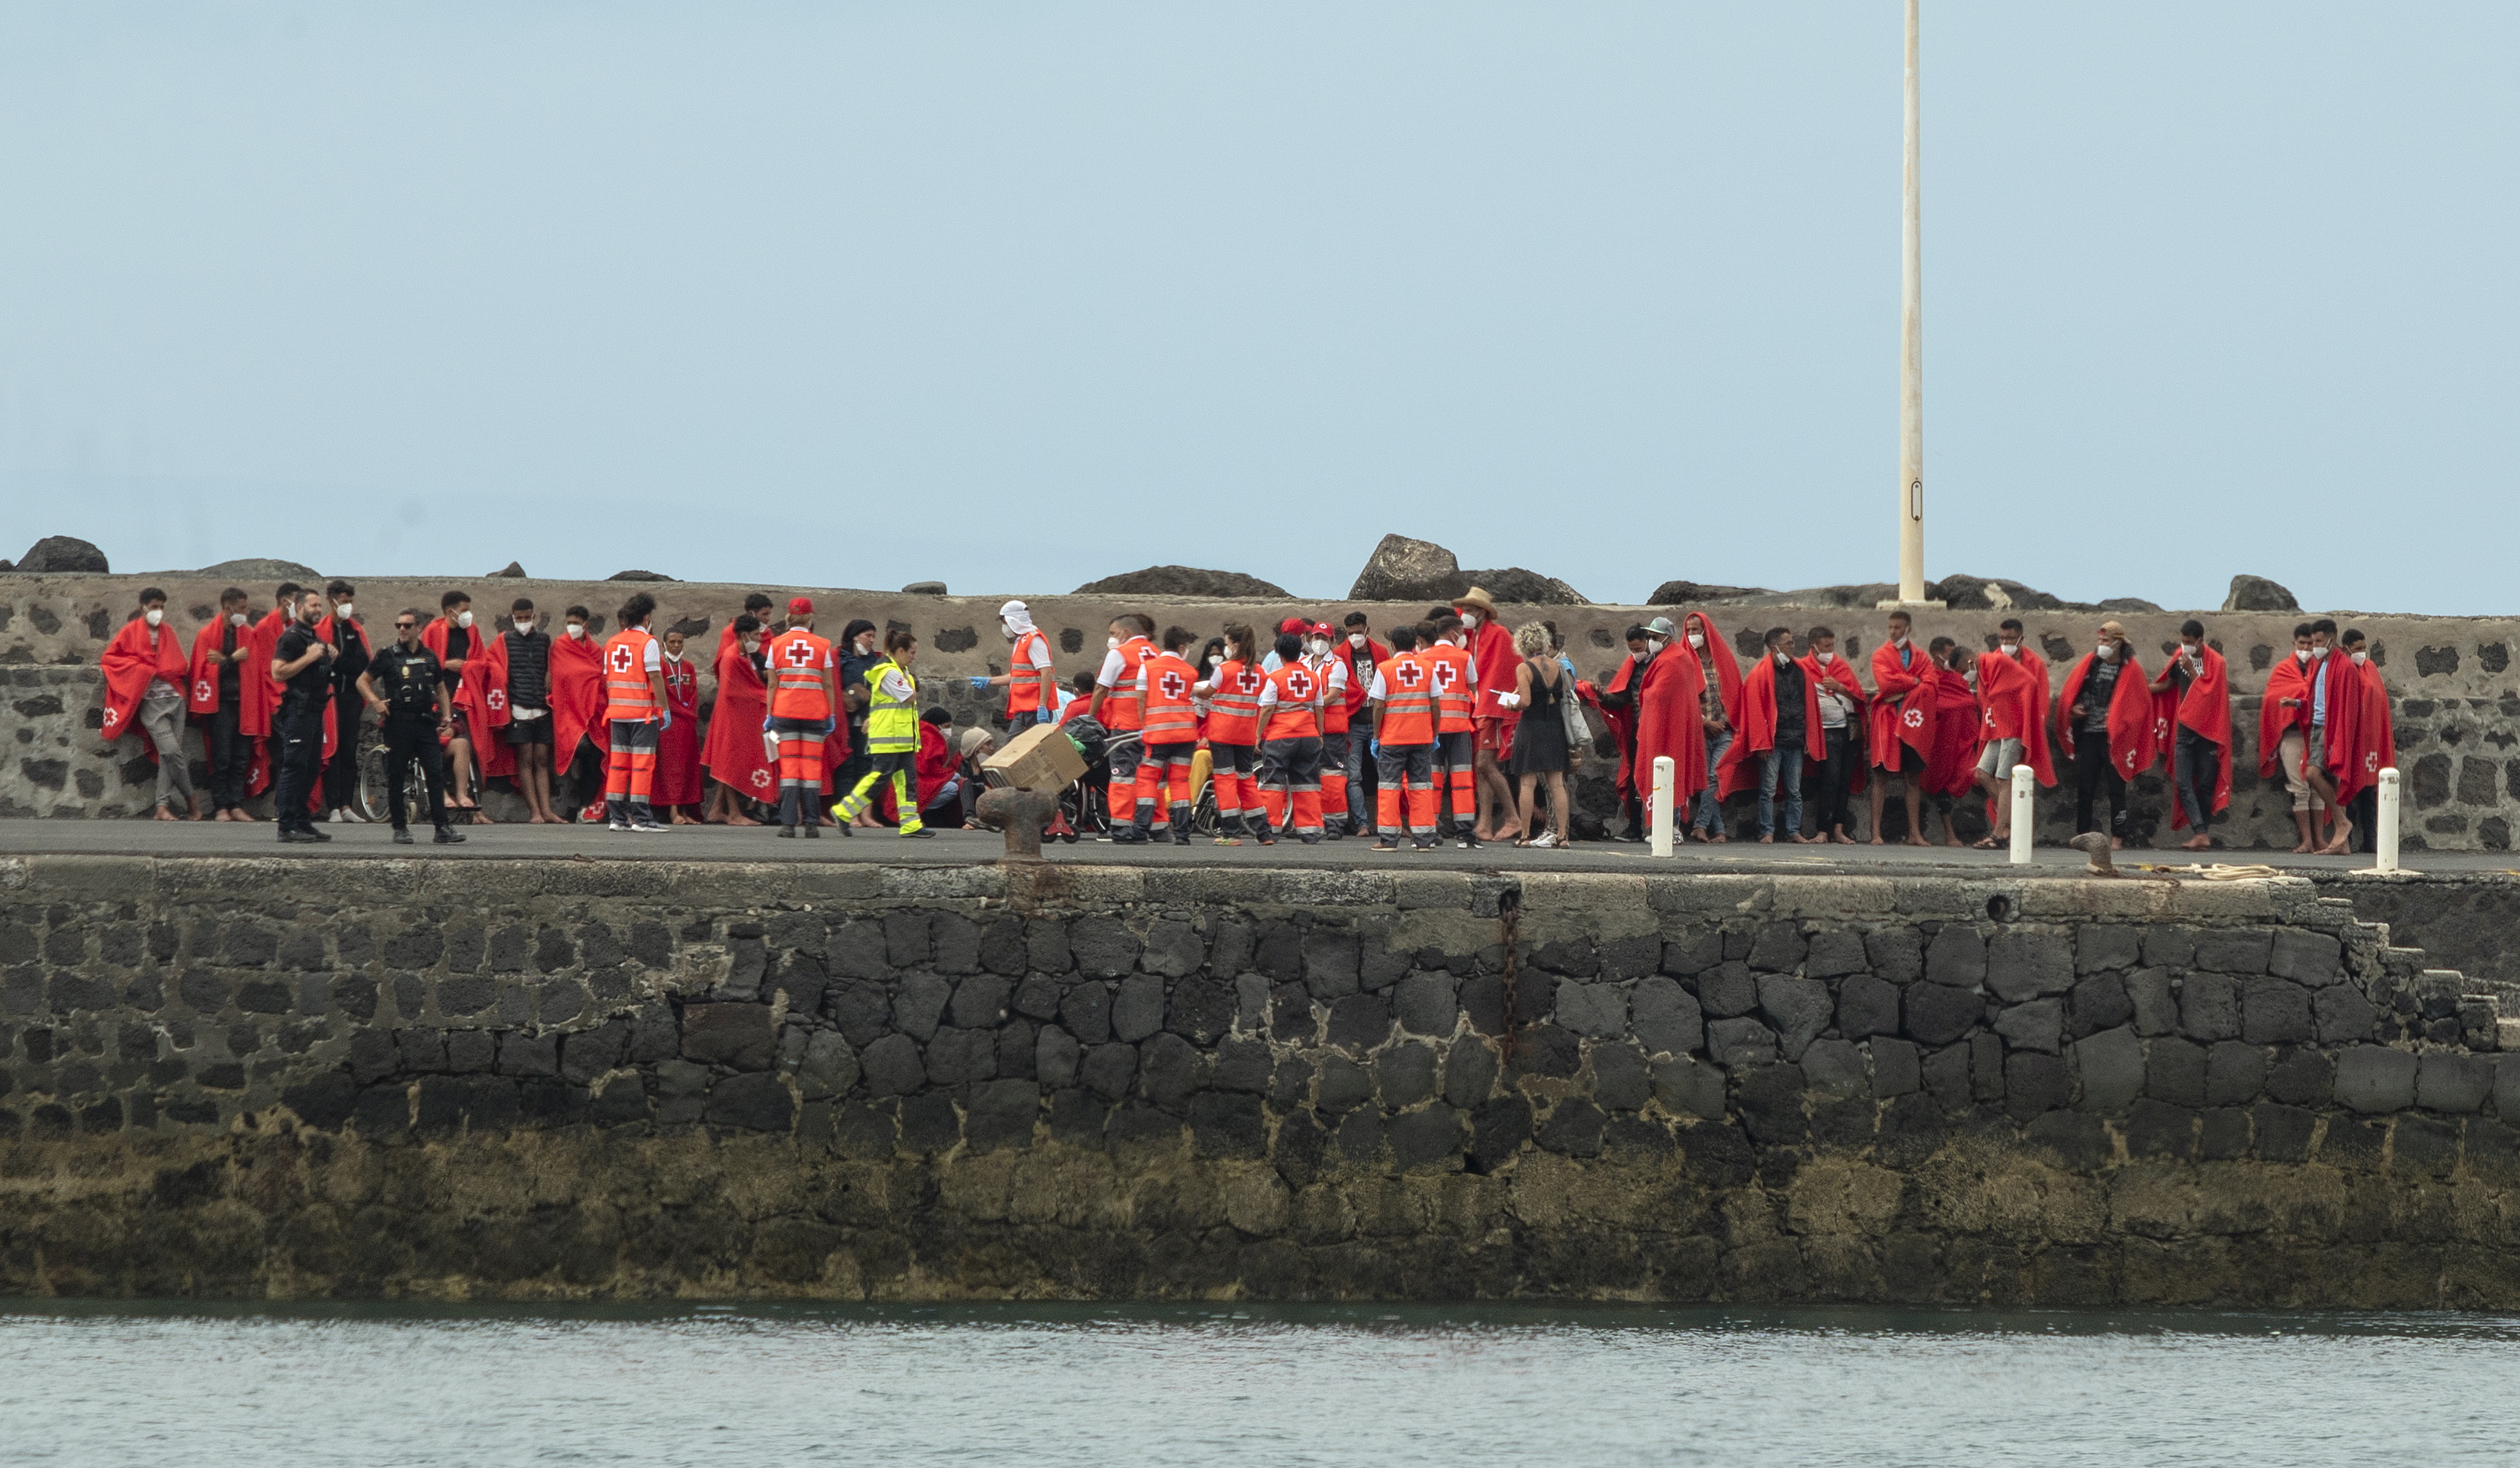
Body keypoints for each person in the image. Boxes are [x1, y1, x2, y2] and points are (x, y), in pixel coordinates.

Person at [354, 609, 464, 844]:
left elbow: (441, 688)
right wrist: (375, 702)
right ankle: (400, 828)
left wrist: (446, 714)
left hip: (425, 724)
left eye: (407, 625)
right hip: (398, 724)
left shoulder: (430, 656)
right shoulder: (388, 655)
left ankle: (442, 828)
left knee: (435, 774)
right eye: (399, 625)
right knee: (396, 776)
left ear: (419, 628)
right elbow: (362, 681)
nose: (402, 630)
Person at [1712, 627, 1829, 843]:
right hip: (1773, 744)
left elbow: (1809, 706)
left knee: (1795, 790)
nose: (1793, 647)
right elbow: (1754, 712)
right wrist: (1761, 744)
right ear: (1775, 647)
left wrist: (1808, 737)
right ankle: (1767, 830)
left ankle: (1794, 830)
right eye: (1789, 643)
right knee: (1767, 789)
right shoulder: (1759, 674)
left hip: (1795, 740)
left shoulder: (1800, 671)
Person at [100, 587, 199, 821]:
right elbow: (110, 659)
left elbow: (178, 665)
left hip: (175, 699)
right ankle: (191, 799)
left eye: (162, 607)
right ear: (143, 607)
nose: (159, 611)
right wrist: (143, 670)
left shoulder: (168, 631)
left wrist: (161, 669)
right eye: (155, 607)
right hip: (151, 704)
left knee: (168, 756)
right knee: (172, 752)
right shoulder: (130, 632)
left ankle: (162, 807)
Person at [2057, 620, 2157, 849]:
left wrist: (2120, 717)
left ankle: (2118, 836)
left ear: (2118, 643)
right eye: (2099, 640)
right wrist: (2074, 708)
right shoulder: (2090, 664)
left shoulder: (2131, 669)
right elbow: (2072, 693)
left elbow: (2140, 704)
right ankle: (2082, 834)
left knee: (2116, 788)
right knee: (2085, 786)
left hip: (2115, 738)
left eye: (2105, 641)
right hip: (2091, 733)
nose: (2101, 644)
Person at [832, 629, 932, 838]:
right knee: (879, 777)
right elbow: (909, 697)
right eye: (911, 653)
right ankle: (844, 811)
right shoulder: (889, 672)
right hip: (889, 735)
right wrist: (912, 688)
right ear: (901, 651)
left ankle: (910, 823)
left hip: (901, 736)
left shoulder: (898, 671)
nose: (914, 657)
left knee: (906, 780)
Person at [1970, 620, 2054, 849]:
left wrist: (2034, 725)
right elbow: (1984, 694)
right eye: (2002, 638)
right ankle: (2016, 819)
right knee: (1981, 774)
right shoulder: (1993, 659)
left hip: (2018, 728)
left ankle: (1999, 834)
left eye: (2010, 639)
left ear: (2021, 639)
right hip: (1996, 726)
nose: (2005, 643)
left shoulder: (2034, 663)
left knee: (2003, 778)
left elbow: (2041, 697)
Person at [762, 596, 841, 837]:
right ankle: (810, 824)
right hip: (815, 715)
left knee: (789, 770)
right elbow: (828, 685)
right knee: (811, 770)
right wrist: (832, 714)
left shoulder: (776, 644)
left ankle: (787, 824)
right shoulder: (821, 645)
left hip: (784, 713)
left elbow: (772, 685)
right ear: (810, 618)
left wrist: (769, 715)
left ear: (789, 616)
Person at [2149, 619, 2230, 851]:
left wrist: (2194, 671)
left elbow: (2209, 693)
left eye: (2189, 643)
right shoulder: (2179, 657)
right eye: (2182, 642)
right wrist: (2141, 689)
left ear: (2200, 641)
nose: (2184, 646)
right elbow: (2168, 685)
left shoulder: (2217, 662)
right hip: (2185, 728)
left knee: (2206, 784)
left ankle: (2202, 833)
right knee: (2183, 781)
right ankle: (2200, 832)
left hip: (2209, 731)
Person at [600, 592, 672, 833]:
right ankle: (642, 819)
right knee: (642, 765)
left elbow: (608, 677)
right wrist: (664, 708)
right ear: (646, 617)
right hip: (642, 714)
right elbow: (654, 676)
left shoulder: (612, 642)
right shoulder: (648, 642)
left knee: (618, 765)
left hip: (617, 713)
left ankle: (617, 818)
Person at [1453, 587, 1521, 843]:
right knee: (1481, 769)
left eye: (1470, 610)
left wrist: (1491, 704)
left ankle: (1513, 818)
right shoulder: (1472, 636)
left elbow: (1503, 671)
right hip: (1479, 707)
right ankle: (1483, 824)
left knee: (1484, 764)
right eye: (1464, 610)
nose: (1465, 614)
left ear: (1482, 612)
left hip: (1491, 708)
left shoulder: (1499, 634)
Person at [268, 588, 337, 844]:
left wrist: (329, 654)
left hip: (315, 711)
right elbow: (278, 672)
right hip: (298, 711)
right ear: (298, 608)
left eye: (320, 606)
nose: (318, 609)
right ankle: (286, 826)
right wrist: (309, 658)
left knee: (310, 768)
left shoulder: (314, 637)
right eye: (313, 605)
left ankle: (302, 821)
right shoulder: (292, 638)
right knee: (294, 766)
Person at [1499, 621, 1573, 848]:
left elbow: (1526, 701)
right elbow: (1566, 691)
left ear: (1523, 645)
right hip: (1555, 727)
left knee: (1528, 783)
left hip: (1531, 727)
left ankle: (1525, 835)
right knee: (1557, 784)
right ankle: (1562, 836)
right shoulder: (1559, 666)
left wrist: (1512, 704)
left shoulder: (1524, 668)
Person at [1124, 627, 1202, 844]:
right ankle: (1183, 835)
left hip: (1157, 734)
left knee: (1148, 779)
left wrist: (1143, 726)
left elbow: (1141, 700)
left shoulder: (1148, 668)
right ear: (1181, 647)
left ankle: (1140, 831)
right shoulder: (1190, 672)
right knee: (1180, 782)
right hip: (1186, 734)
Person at [188, 587, 259, 821]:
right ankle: (221, 807)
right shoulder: (207, 634)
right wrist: (232, 660)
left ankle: (236, 804)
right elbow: (202, 670)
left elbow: (253, 667)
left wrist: (223, 660)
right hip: (220, 705)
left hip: (244, 703)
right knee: (221, 757)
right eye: (241, 608)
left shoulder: (248, 634)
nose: (244, 612)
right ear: (228, 608)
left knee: (241, 757)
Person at [1866, 610, 1936, 846]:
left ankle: (1915, 833)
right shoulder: (1880, 655)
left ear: (1908, 629)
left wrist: (1903, 688)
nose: (1893, 632)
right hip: (1887, 722)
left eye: (1898, 628)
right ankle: (1876, 832)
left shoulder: (1922, 656)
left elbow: (1931, 684)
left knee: (1913, 778)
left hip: (1913, 725)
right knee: (1881, 776)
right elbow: (1885, 684)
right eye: (1891, 628)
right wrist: (1913, 682)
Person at [1367, 626, 1439, 852]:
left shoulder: (1385, 669)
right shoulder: (1428, 668)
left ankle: (1388, 840)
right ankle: (1424, 840)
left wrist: (1376, 737)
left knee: (1389, 788)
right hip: (1422, 738)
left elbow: (1379, 705)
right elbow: (1436, 705)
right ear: (1415, 644)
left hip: (1392, 738)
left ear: (1393, 645)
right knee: (1421, 788)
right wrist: (1434, 733)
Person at [2259, 622, 2329, 853]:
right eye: (2302, 643)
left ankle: (2319, 840)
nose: (2307, 647)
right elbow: (2272, 700)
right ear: (2294, 643)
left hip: (2317, 734)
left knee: (2318, 787)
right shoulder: (2283, 669)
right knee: (2299, 788)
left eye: (2311, 643)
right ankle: (2306, 841)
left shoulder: (2323, 669)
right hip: (2292, 735)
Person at [1253, 630, 1328, 844]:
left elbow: (1267, 709)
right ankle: (1311, 830)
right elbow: (1319, 709)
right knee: (1307, 783)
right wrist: (1320, 734)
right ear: (1299, 652)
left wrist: (1258, 735)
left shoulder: (1275, 678)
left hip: (1280, 738)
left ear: (1279, 654)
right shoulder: (1313, 677)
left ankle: (1271, 829)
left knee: (1274, 783)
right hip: (1309, 737)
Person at [2325, 628, 2394, 854]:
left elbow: (2379, 703)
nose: (2362, 653)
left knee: (2368, 792)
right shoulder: (2343, 670)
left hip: (2371, 740)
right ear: (2346, 649)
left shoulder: (2371, 668)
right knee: (2348, 790)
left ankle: (2370, 840)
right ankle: (2347, 840)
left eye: (2364, 648)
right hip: (2352, 740)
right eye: (2357, 649)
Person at [1087, 614, 1157, 835]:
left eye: (1113, 633)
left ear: (1125, 633)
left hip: (1125, 724)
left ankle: (1121, 825)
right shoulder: (1158, 653)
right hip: (1154, 725)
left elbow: (1101, 688)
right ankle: (1158, 826)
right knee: (1152, 776)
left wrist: (1089, 718)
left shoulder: (1119, 654)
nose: (1111, 639)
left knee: (1122, 775)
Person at [419, 590, 486, 812]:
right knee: (433, 744)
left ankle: (467, 800)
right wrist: (446, 665)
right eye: (465, 610)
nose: (468, 615)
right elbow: (425, 664)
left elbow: (481, 662)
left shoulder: (472, 631)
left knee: (471, 747)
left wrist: (466, 667)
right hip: (439, 699)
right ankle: (444, 794)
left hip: (466, 699)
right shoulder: (433, 630)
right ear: (451, 611)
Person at [1197, 622, 1265, 845]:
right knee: (1246, 780)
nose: (1226, 648)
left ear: (1235, 645)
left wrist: (1190, 688)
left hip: (1223, 734)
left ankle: (1231, 832)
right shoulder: (1260, 671)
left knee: (1225, 781)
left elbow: (1208, 692)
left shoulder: (1224, 670)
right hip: (1246, 734)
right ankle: (1264, 832)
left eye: (1227, 643)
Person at [494, 598, 560, 823]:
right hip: (518, 707)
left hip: (542, 706)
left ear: (533, 616)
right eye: (518, 618)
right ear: (513, 618)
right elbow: (496, 667)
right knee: (525, 758)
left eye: (526, 617)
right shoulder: (505, 640)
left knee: (542, 759)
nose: (523, 622)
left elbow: (551, 666)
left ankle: (548, 810)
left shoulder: (544, 639)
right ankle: (535, 812)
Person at [703, 613, 772, 824]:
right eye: (755, 635)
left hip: (741, 717)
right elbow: (740, 692)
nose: (759, 640)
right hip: (732, 718)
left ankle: (716, 810)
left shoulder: (746, 656)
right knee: (731, 764)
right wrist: (768, 698)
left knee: (729, 763)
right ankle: (733, 813)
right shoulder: (732, 658)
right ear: (744, 635)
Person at [1801, 626, 1868, 844]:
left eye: (1832, 645)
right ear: (1814, 647)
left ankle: (1838, 829)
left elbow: (1858, 698)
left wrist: (1839, 687)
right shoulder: (1802, 668)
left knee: (1843, 779)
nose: (1831, 650)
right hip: (1825, 732)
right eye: (1827, 646)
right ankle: (1822, 830)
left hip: (1848, 730)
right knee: (1829, 778)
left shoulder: (1839, 666)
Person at [1424, 616, 1485, 846]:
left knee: (1431, 781)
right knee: (1462, 782)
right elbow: (1473, 690)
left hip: (1431, 729)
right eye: (1462, 633)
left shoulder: (1424, 658)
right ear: (1453, 634)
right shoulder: (1464, 657)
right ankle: (1465, 834)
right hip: (1459, 727)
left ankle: (1427, 830)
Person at [315, 582, 372, 823]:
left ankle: (347, 805)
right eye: (343, 600)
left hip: (350, 697)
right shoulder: (320, 630)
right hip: (329, 698)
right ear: (331, 600)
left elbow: (363, 663)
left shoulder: (355, 630)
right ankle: (333, 808)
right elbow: (321, 664)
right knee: (333, 751)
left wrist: (340, 662)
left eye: (350, 600)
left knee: (349, 750)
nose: (347, 605)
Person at [1682, 613, 1742, 842]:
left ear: (1706, 631)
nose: (1692, 635)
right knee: (1708, 779)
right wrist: (1705, 722)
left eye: (1696, 630)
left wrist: (1724, 722)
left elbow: (1734, 692)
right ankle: (1718, 831)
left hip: (1724, 729)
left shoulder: (1721, 660)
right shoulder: (1686, 661)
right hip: (1700, 730)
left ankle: (1700, 826)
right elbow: (1684, 699)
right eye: (1689, 631)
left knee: (1716, 775)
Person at [1921, 637, 1981, 846]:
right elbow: (1931, 705)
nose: (1953, 657)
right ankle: (1949, 835)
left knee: (1972, 773)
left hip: (1963, 739)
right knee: (1941, 782)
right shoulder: (1929, 677)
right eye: (1949, 653)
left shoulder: (1957, 679)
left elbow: (1967, 701)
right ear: (1938, 656)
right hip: (1941, 740)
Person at [1595, 624, 1653, 841]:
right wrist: (1603, 696)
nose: (1635, 653)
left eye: (1638, 647)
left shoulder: (1662, 663)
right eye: (1632, 649)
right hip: (1639, 730)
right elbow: (1623, 699)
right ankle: (1635, 827)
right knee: (1635, 778)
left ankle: (1665, 828)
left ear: (1648, 640)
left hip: (1658, 729)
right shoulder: (1633, 665)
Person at [2302, 616, 2352, 851]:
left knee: (2312, 774)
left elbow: (2349, 704)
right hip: (2318, 725)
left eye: (2319, 641)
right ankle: (2343, 843)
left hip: (2331, 729)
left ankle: (2342, 822)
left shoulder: (2345, 666)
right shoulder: (2320, 664)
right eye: (2313, 642)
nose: (2315, 647)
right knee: (2330, 779)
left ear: (2332, 640)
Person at [1337, 613, 1387, 836]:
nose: (1355, 637)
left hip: (1379, 723)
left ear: (1367, 630)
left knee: (1386, 774)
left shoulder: (1381, 653)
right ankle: (1362, 824)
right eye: (1350, 633)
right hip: (1353, 724)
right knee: (1353, 775)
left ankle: (1390, 822)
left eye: (1358, 632)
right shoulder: (1339, 655)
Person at [978, 600, 1059, 731]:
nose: (1005, 627)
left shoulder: (1034, 640)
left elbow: (1046, 672)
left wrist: (1042, 706)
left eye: (1005, 623)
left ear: (1014, 620)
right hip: (1024, 709)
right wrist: (990, 681)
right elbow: (1019, 675)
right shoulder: (1022, 640)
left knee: (1015, 748)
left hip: (1034, 710)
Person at [1304, 623, 1354, 838]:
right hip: (1306, 728)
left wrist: (1308, 706)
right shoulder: (1303, 663)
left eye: (1324, 638)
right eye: (1316, 636)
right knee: (1307, 776)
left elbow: (1333, 694)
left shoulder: (1338, 664)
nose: (1319, 641)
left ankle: (1334, 824)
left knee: (1332, 776)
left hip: (1332, 729)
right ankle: (1310, 822)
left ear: (1333, 642)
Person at [656, 628, 706, 823]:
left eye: (679, 642)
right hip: (669, 723)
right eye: (672, 642)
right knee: (671, 768)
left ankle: (685, 811)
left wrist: (689, 713)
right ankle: (673, 810)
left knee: (687, 767)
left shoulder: (689, 666)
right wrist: (671, 712)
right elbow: (661, 693)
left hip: (686, 722)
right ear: (664, 644)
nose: (676, 646)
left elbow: (693, 693)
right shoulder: (661, 665)